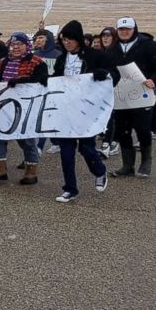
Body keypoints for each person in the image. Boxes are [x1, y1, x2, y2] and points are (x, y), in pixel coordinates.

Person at [52, 20, 113, 202]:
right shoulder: (61, 58)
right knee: (66, 151)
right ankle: (70, 188)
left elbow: (113, 74)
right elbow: (56, 78)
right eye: (64, 39)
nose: (66, 43)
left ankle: (100, 171)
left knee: (86, 148)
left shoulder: (94, 56)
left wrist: (103, 74)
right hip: (66, 109)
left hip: (87, 108)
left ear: (78, 38)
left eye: (70, 39)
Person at [0, 32, 47, 185]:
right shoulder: (3, 62)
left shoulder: (37, 62)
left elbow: (43, 81)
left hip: (26, 107)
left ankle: (31, 171)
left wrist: (22, 81)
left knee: (26, 138)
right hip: (4, 106)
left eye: (20, 44)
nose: (16, 47)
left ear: (27, 45)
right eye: (13, 44)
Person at [109, 17, 156, 178]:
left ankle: (146, 161)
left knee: (142, 129)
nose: (125, 32)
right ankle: (127, 165)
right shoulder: (113, 48)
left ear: (134, 29)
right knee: (122, 131)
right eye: (121, 29)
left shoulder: (148, 46)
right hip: (121, 97)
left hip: (142, 95)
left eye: (128, 29)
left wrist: (154, 80)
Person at [98, 27, 120, 156]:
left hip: (118, 89)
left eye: (108, 35)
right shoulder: (101, 53)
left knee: (113, 116)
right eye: (103, 35)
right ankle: (111, 141)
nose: (105, 38)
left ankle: (108, 143)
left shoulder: (118, 53)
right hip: (103, 90)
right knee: (108, 116)